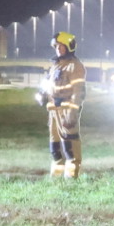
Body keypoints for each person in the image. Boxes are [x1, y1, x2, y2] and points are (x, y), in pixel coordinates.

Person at [40, 31, 87, 177]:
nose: (58, 49)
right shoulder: (56, 66)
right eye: (57, 47)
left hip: (67, 110)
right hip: (53, 111)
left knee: (70, 146)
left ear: (69, 47)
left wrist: (73, 112)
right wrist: (43, 95)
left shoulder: (75, 66)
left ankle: (72, 178)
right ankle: (56, 178)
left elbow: (78, 91)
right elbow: (48, 85)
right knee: (55, 147)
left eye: (61, 46)